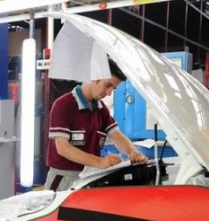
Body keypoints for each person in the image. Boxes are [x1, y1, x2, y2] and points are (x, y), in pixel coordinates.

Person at [45, 59, 147, 191]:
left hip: (90, 177)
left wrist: (133, 152)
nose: (109, 93)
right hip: (64, 179)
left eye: (113, 89)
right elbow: (63, 148)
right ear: (94, 77)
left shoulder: (101, 109)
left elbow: (117, 136)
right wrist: (99, 161)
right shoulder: (63, 105)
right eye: (108, 85)